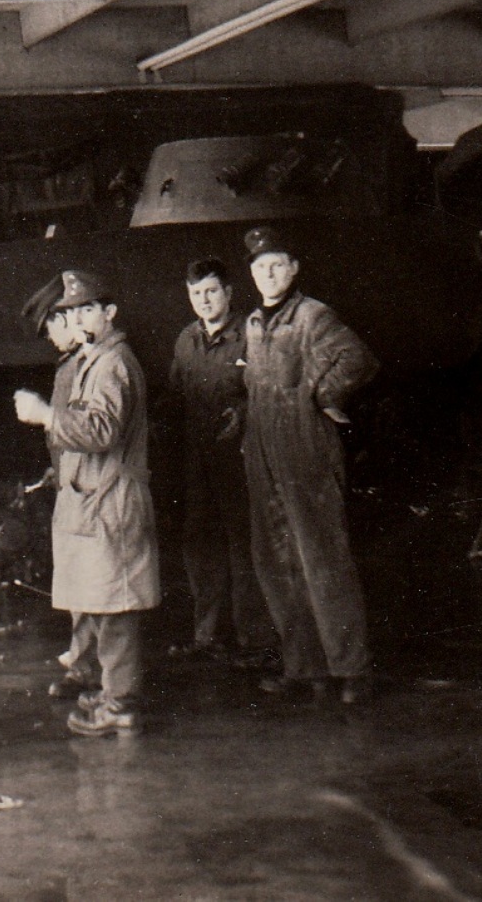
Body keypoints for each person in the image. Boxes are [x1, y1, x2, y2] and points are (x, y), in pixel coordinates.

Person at [14, 270, 160, 737]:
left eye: (87, 309)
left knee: (115, 606)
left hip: (112, 500)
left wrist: (45, 415)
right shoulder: (95, 360)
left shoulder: (113, 363)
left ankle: (121, 704)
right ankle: (114, 692)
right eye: (71, 311)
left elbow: (101, 431)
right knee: (102, 600)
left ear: (108, 312)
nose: (77, 319)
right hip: (98, 499)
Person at [240, 226, 379, 705]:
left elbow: (358, 359)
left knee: (323, 561)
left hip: (306, 453)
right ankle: (306, 669)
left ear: (294, 268)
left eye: (277, 264)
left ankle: (352, 670)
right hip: (263, 455)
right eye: (260, 266)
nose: (268, 273)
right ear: (252, 273)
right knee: (278, 562)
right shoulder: (253, 323)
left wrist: (317, 397)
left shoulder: (312, 315)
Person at [167, 257, 271, 665]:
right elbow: (175, 395)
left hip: (240, 460)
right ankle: (208, 636)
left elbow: (268, 390)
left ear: (228, 293)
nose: (204, 300)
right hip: (198, 463)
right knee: (201, 547)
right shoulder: (186, 340)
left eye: (211, 291)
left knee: (246, 547)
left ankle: (255, 642)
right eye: (196, 293)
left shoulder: (251, 334)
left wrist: (243, 414)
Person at [20, 274, 99, 701]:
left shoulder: (87, 362)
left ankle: (90, 669)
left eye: (50, 325)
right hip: (72, 484)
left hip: (89, 491)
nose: (49, 337)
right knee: (81, 580)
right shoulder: (71, 362)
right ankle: (85, 661)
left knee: (91, 581)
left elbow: (88, 429)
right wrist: (57, 469)